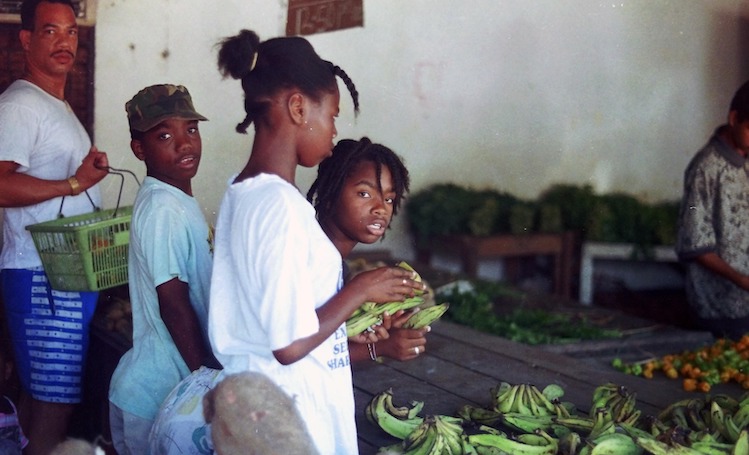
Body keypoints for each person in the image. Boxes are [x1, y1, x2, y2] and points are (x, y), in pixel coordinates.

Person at [148, 137, 430, 454]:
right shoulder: (300, 254)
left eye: (390, 199)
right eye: (364, 193)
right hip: (269, 422)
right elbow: (286, 348)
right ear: (330, 192)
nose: (380, 207)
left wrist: (380, 346)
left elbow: (316, 355)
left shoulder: (333, 265)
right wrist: (359, 291)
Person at [0, 1, 109, 453]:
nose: (64, 41)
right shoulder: (21, 104)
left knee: (37, 411)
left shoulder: (54, 105)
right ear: (26, 40)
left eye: (70, 32)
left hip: (63, 276)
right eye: (50, 31)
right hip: (43, 276)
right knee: (52, 413)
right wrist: (73, 183)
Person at [107, 84, 219, 454]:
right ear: (140, 149)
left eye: (191, 129)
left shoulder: (176, 198)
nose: (184, 143)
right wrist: (203, 379)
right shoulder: (162, 209)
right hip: (159, 394)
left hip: (164, 388)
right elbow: (172, 300)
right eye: (165, 135)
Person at [677, 79, 749, 340]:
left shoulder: (745, 162)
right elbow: (694, 243)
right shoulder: (705, 168)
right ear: (734, 118)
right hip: (718, 310)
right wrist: (741, 280)